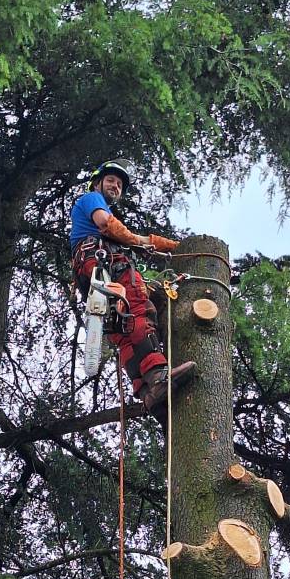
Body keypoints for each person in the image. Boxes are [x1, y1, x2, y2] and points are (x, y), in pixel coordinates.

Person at [70, 157, 196, 418]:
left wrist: (172, 246)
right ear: (97, 183)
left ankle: (147, 391)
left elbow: (136, 239)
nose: (115, 187)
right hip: (104, 263)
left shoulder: (101, 217)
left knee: (123, 328)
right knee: (138, 308)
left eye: (119, 185)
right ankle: (157, 375)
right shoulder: (92, 199)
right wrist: (139, 240)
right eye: (111, 181)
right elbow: (106, 223)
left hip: (94, 268)